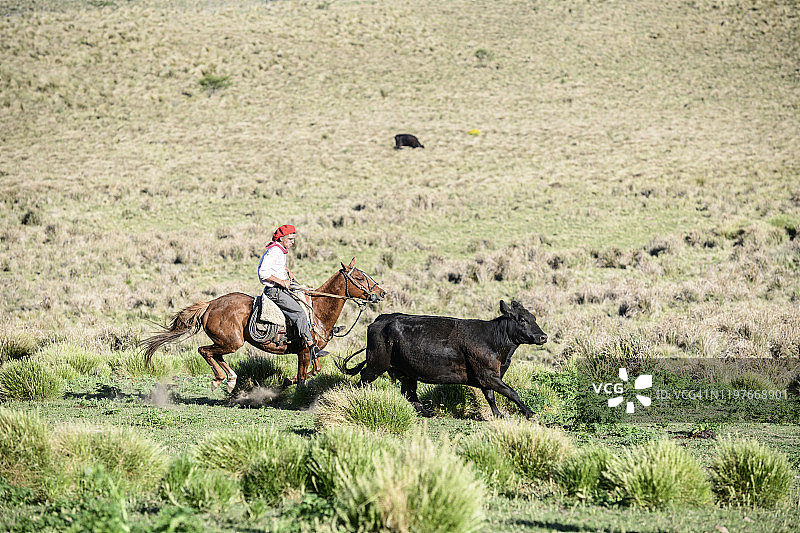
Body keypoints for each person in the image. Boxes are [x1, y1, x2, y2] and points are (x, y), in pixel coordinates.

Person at [257, 224, 329, 360]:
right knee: (299, 312)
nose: (293, 242)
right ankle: (311, 346)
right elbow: (263, 272)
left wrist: (286, 270)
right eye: (290, 239)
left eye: (293, 239)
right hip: (275, 291)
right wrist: (282, 281)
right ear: (281, 238)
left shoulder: (279, 250)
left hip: (281, 288)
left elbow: (276, 266)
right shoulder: (275, 251)